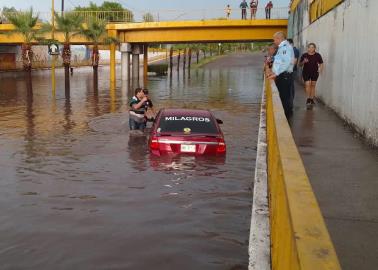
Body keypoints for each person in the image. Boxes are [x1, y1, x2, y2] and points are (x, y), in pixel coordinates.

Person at [267, 31, 295, 117]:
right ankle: (286, 115)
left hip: (284, 76)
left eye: (275, 39)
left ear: (279, 38)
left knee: (284, 97)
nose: (274, 41)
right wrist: (273, 71)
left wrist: (276, 74)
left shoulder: (285, 47)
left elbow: (286, 63)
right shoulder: (282, 47)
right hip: (283, 75)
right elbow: (279, 61)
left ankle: (286, 117)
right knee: (284, 96)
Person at [287, 38, 299, 106]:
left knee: (291, 86)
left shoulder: (294, 50)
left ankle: (290, 103)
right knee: (290, 86)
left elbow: (295, 61)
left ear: (291, 44)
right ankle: (290, 102)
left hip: (292, 71)